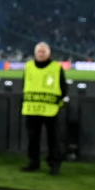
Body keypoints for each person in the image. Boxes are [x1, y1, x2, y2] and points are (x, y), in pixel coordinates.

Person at [21, 42, 67, 175]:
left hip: (50, 110)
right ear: (35, 53)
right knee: (32, 139)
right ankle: (33, 163)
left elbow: (63, 89)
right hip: (32, 109)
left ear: (49, 53)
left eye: (43, 52)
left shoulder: (56, 68)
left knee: (53, 139)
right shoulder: (28, 66)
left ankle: (54, 164)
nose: (41, 54)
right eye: (39, 52)